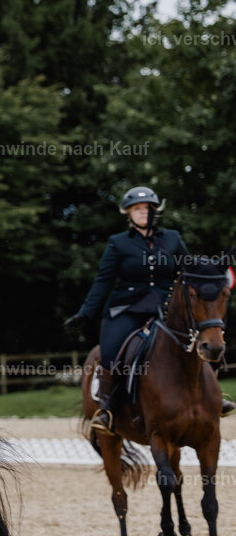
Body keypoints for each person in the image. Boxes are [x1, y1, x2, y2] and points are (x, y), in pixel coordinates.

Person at [65, 186, 236, 435]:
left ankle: (214, 397)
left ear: (156, 212)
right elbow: (104, 280)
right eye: (138, 209)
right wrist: (85, 312)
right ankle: (109, 409)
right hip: (128, 308)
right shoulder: (118, 243)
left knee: (204, 338)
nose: (144, 213)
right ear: (128, 213)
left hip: (167, 308)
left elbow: (189, 271)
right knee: (112, 352)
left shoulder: (173, 238)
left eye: (148, 209)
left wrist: (217, 268)